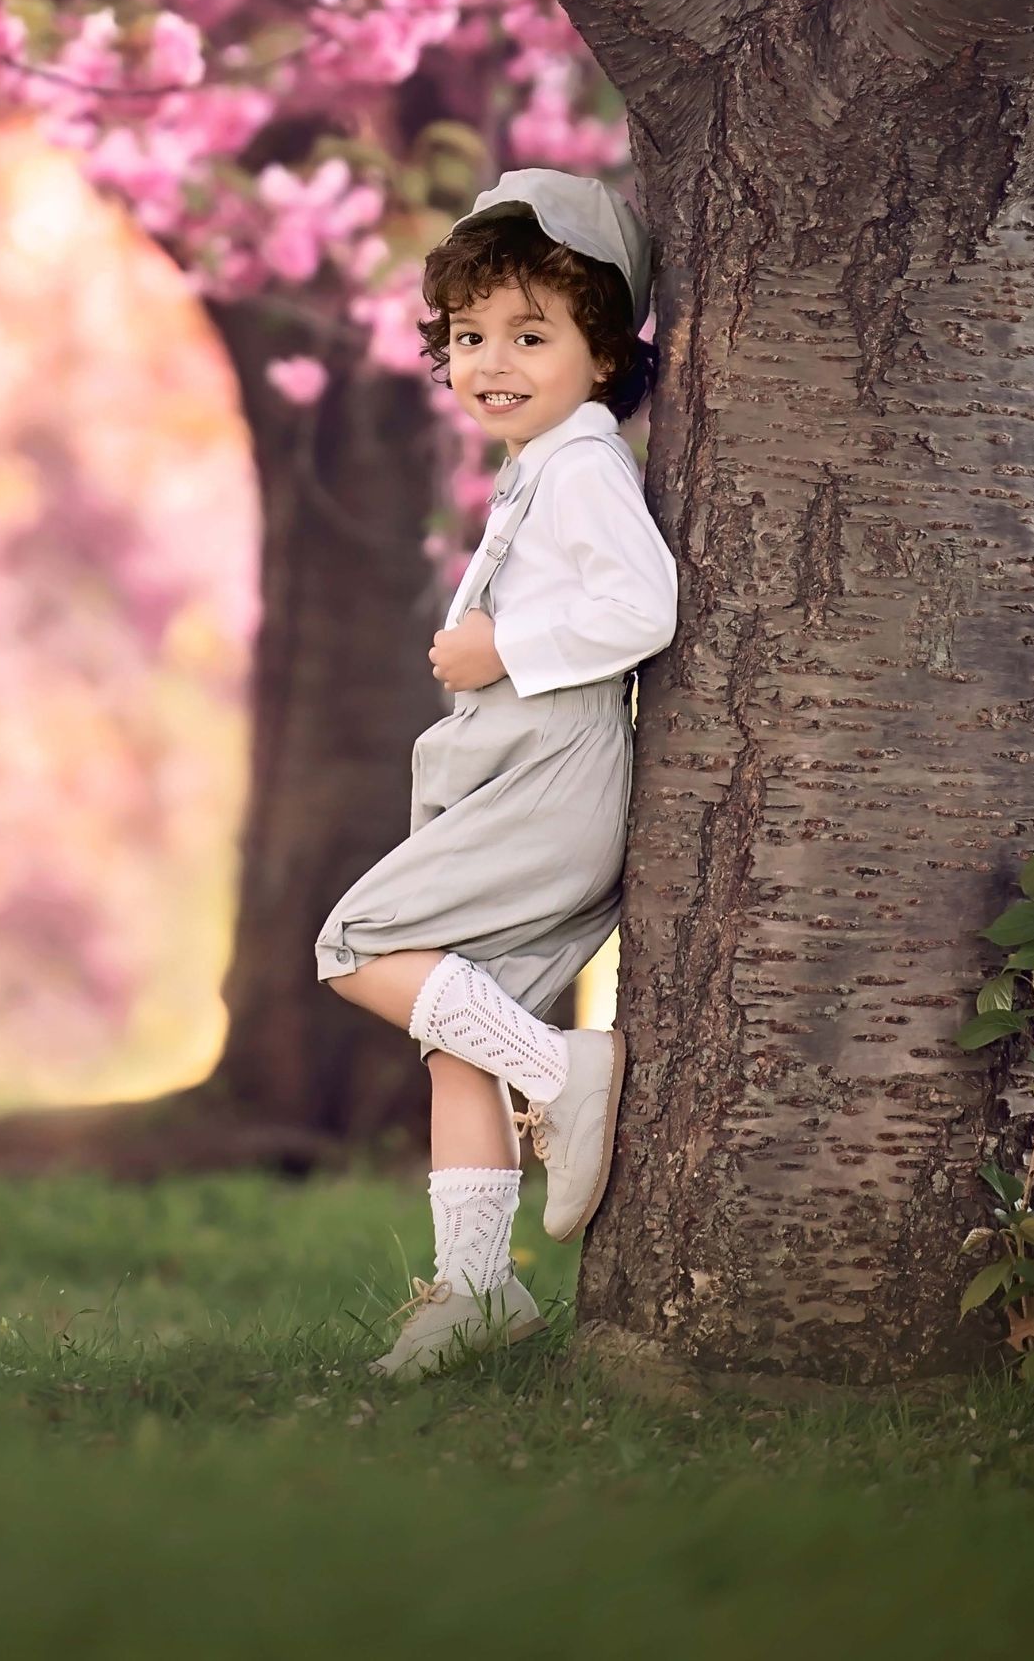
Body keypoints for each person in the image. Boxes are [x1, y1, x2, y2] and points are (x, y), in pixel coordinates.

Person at [315, 169, 677, 1378]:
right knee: (458, 1038)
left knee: (357, 945)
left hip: (556, 774)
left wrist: (496, 647)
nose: (493, 360)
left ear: (604, 348)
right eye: (471, 335)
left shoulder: (582, 466)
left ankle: (566, 1069)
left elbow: (644, 602)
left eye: (533, 332)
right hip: (520, 773)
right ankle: (474, 1290)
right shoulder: (543, 461)